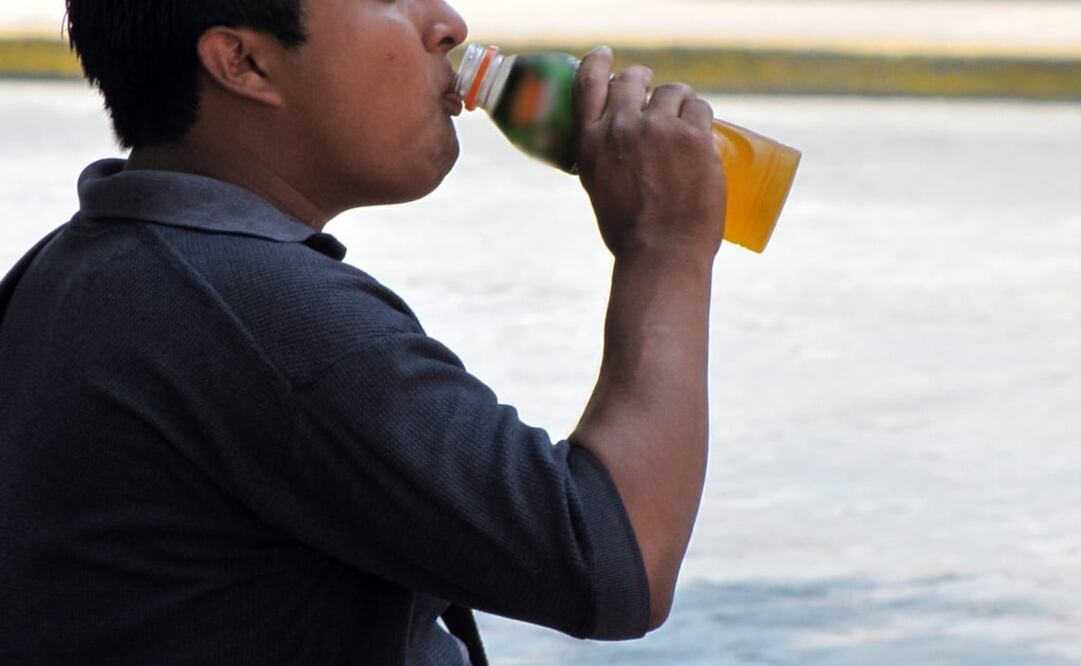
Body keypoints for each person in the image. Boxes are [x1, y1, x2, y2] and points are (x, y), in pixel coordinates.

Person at [0, 0, 727, 663]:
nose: (447, 25)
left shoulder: (75, 267)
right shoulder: (257, 310)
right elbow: (617, 560)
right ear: (244, 63)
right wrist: (664, 247)